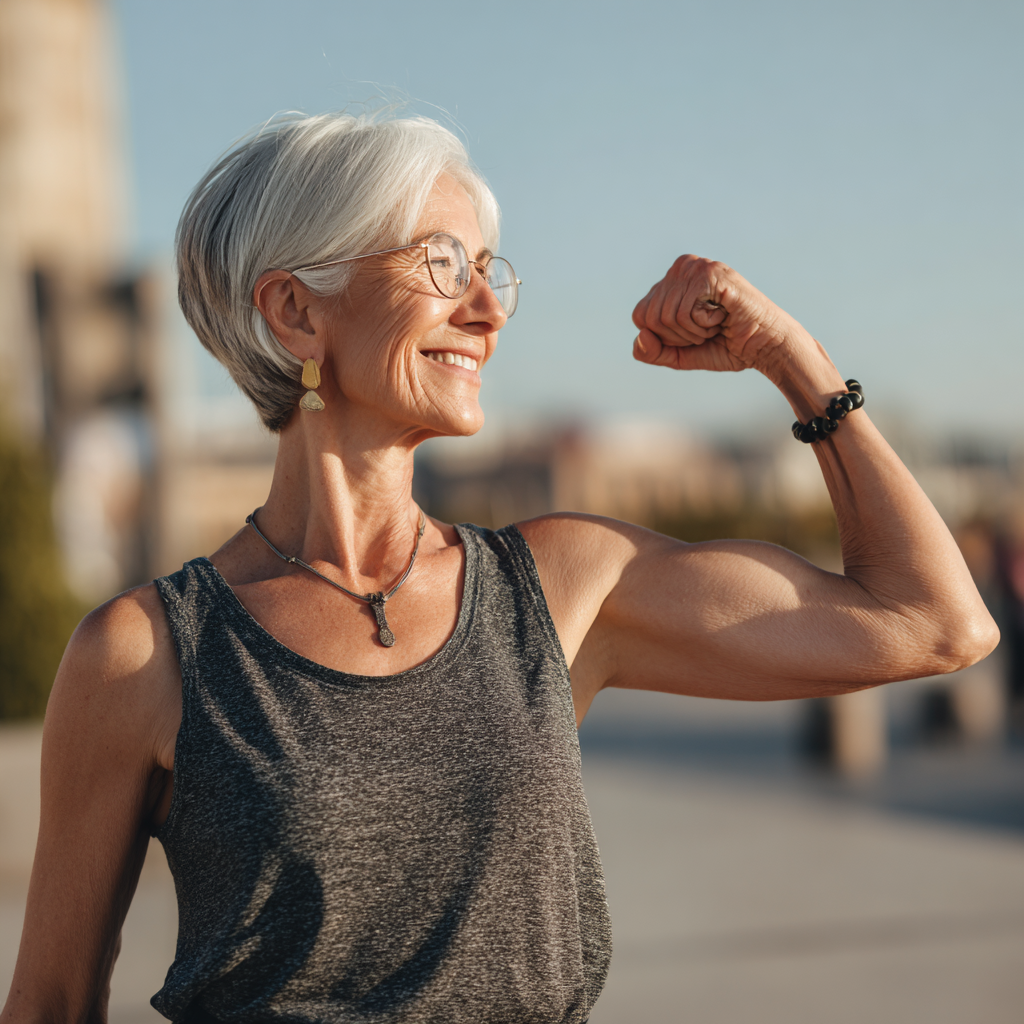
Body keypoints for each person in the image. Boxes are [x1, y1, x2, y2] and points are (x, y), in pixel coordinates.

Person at [1, 112, 997, 1024]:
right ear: (296, 313)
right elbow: (48, 999)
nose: (488, 309)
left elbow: (935, 622)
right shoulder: (144, 656)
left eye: (490, 269)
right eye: (443, 264)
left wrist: (793, 355)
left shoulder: (563, 586)